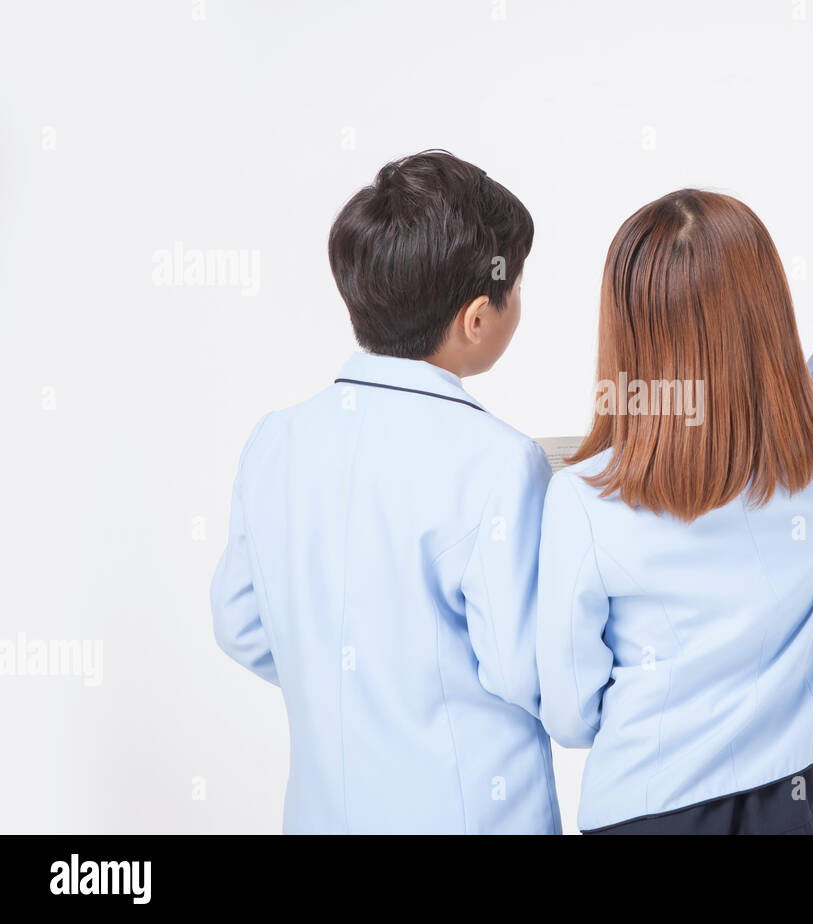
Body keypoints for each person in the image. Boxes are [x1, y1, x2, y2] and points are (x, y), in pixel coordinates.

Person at [536, 175, 813, 834]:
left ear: (626, 329)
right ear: (767, 315)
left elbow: (570, 715)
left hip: (643, 809)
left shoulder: (583, 497)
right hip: (795, 805)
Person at [210, 150, 560, 834]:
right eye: (513, 285)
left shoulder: (275, 441)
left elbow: (240, 622)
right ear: (477, 318)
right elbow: (526, 671)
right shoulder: (500, 462)